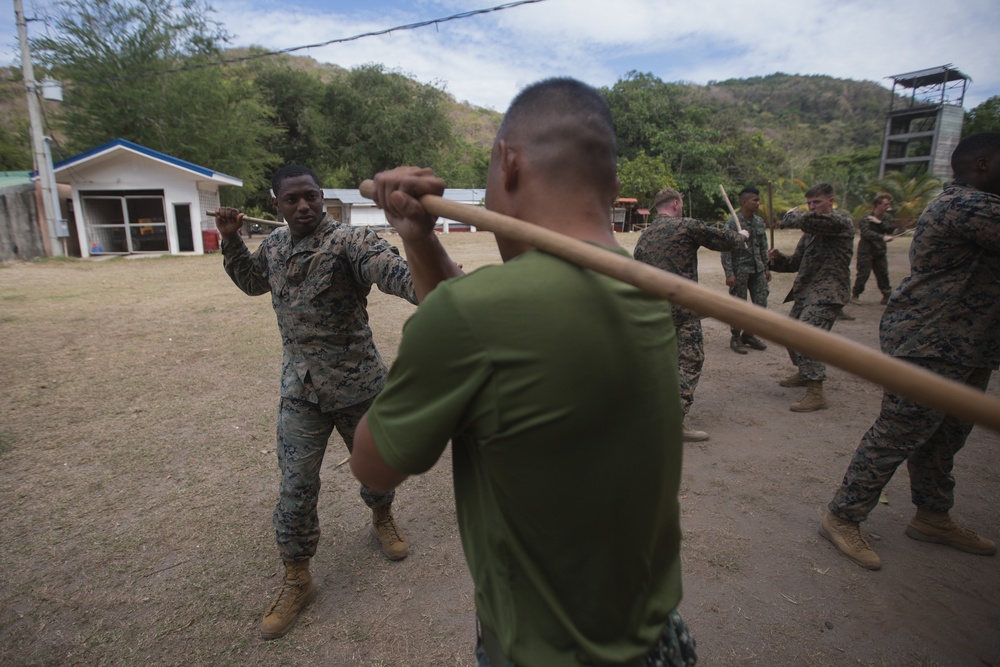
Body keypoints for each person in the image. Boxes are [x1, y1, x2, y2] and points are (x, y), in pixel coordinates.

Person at [350, 78, 697, 667]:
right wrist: (421, 240)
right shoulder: (641, 291)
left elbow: (373, 465)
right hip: (658, 640)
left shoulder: (477, 317)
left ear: (507, 163)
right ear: (611, 183)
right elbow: (487, 337)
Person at [214, 165, 431, 640]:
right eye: (292, 200)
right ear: (278, 205)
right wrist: (230, 239)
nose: (304, 206)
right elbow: (252, 282)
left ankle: (382, 516)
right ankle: (297, 575)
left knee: (377, 471)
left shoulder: (351, 242)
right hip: (301, 391)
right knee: (294, 487)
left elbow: (395, 273)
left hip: (359, 388)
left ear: (321, 197)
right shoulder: (273, 246)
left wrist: (432, 280)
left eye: (311, 196)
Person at [820, 132, 1000, 571]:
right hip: (930, 341)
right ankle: (843, 516)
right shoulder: (965, 205)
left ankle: (933, 515)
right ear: (983, 164)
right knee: (899, 432)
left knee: (946, 436)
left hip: (970, 344)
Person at [634, 188, 747, 442]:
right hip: (683, 312)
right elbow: (722, 239)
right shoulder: (686, 226)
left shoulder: (645, 236)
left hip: (655, 312)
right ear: (675, 204)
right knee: (689, 361)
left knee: (663, 363)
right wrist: (741, 236)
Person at [767, 184, 854, 412]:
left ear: (830, 201)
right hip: (807, 291)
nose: (813, 207)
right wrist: (776, 260)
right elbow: (795, 262)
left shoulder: (840, 222)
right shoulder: (810, 232)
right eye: (810, 203)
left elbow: (807, 221)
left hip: (828, 292)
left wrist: (791, 215)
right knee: (789, 335)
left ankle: (816, 392)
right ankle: (806, 373)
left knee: (806, 336)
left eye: (817, 202)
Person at [721, 186, 771, 354]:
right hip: (739, 270)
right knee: (738, 305)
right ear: (743, 202)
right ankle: (735, 336)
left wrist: (767, 267)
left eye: (759, 199)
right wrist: (729, 273)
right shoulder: (732, 223)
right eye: (755, 200)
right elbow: (726, 249)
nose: (758, 203)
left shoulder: (758, 222)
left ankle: (749, 334)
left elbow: (763, 246)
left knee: (761, 303)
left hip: (757, 269)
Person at [851, 193, 896, 305]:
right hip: (866, 251)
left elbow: (890, 229)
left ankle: (887, 295)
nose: (887, 206)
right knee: (863, 274)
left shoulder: (886, 218)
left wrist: (879, 223)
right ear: (877, 204)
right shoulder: (866, 218)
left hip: (880, 251)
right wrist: (882, 237)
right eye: (885, 204)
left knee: (883, 274)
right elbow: (866, 233)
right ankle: (855, 295)